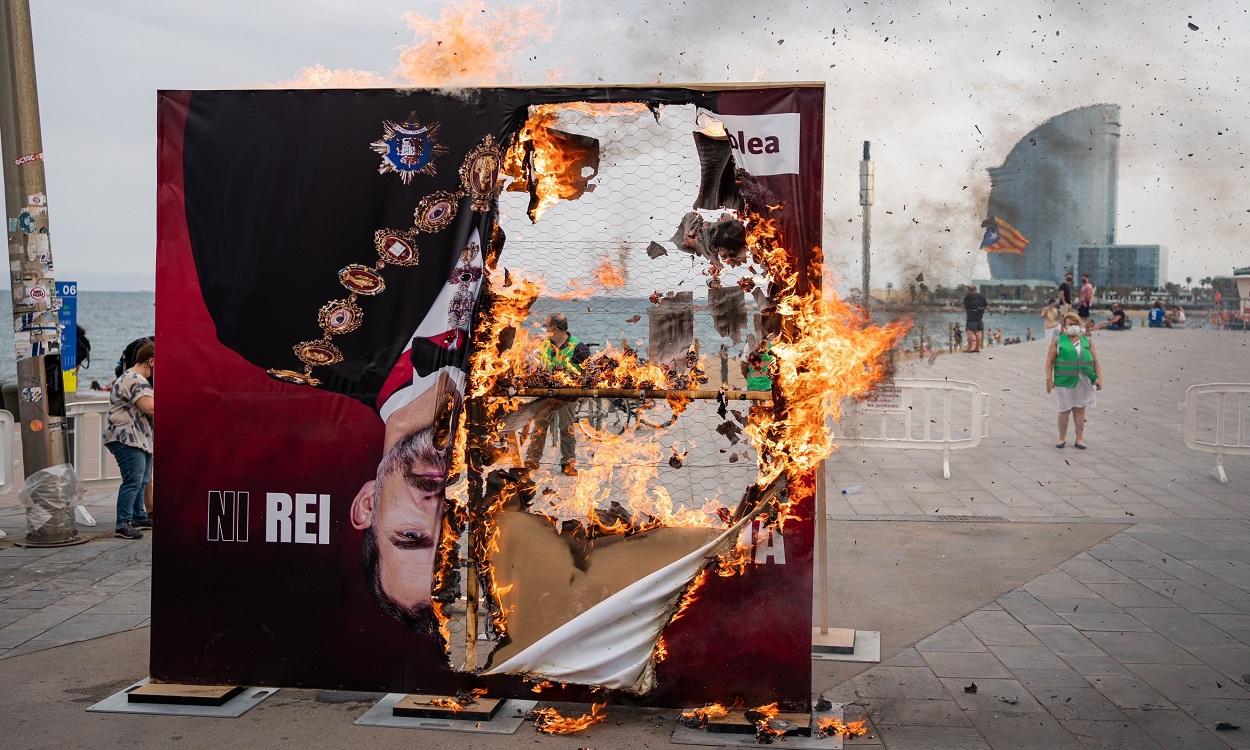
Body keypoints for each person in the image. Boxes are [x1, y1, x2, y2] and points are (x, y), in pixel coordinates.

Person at [525, 313, 589, 476]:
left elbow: (588, 372)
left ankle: (568, 462)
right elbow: (537, 365)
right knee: (539, 424)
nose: (545, 329)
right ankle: (532, 459)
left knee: (566, 427)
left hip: (568, 394)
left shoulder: (578, 347)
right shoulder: (545, 344)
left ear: (556, 328)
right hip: (546, 393)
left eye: (547, 326)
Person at [103, 341, 154, 539]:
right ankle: (123, 522)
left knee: (142, 480)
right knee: (133, 480)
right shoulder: (135, 380)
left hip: (139, 438)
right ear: (150, 361)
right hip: (127, 438)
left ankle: (138, 516)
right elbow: (149, 407)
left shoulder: (135, 378)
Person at [1046, 313, 1102, 449]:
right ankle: (1061, 438)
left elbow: (1096, 361)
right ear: (1064, 327)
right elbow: (1049, 362)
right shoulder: (1058, 341)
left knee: (1080, 410)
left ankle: (1079, 439)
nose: (1073, 327)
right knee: (1064, 410)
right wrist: (1048, 379)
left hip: (1083, 382)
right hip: (1064, 382)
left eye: (1076, 324)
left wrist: (1099, 378)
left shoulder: (1087, 341)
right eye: (1070, 324)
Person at [962, 284, 987, 352]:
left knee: (969, 333)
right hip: (979, 318)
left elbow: (965, 306)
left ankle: (970, 348)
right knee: (978, 333)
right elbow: (986, 305)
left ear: (969, 290)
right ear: (976, 289)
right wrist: (980, 311)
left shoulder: (968, 297)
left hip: (971, 318)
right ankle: (977, 348)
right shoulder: (981, 296)